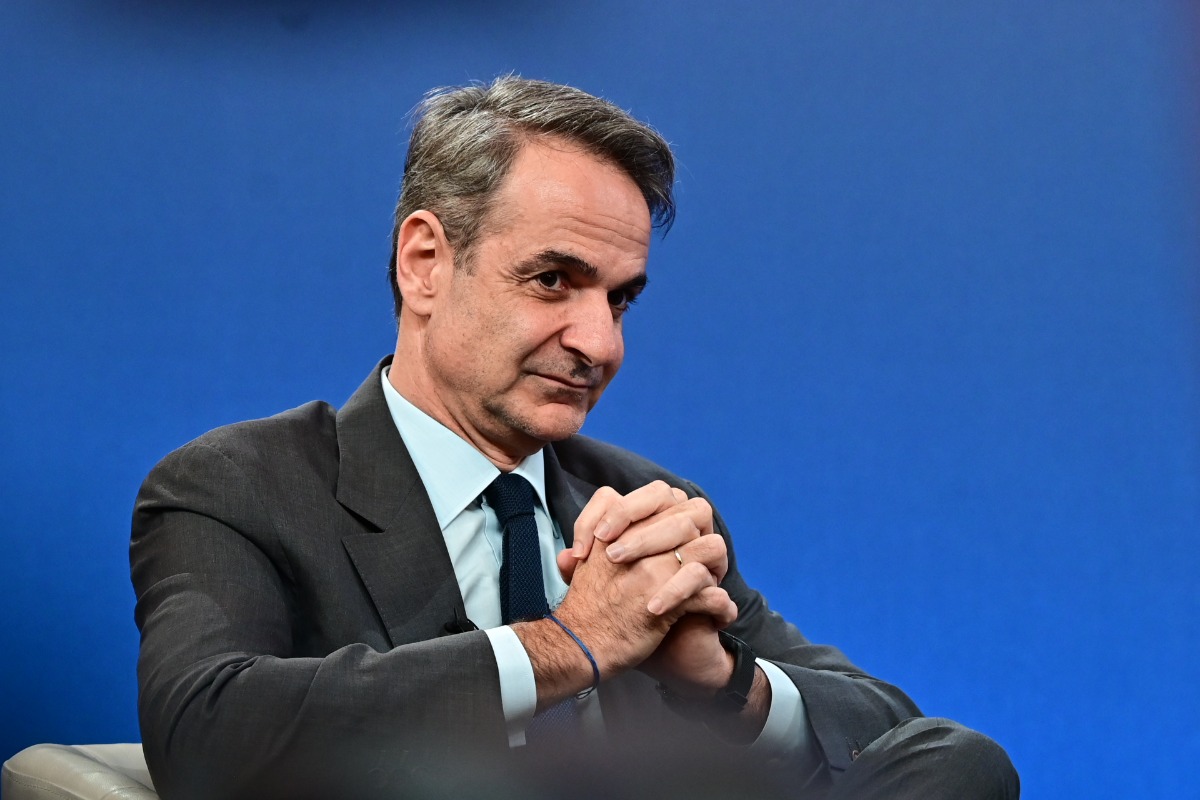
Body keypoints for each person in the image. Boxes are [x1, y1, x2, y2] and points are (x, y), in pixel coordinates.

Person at [131, 76, 1018, 800]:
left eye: (620, 299)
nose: (601, 344)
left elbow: (884, 729)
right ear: (426, 262)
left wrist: (726, 683)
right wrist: (569, 644)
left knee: (959, 764)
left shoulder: (643, 510)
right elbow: (204, 738)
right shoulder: (239, 486)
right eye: (553, 280)